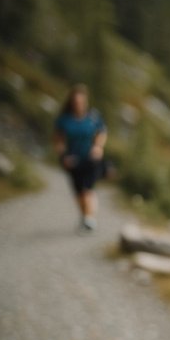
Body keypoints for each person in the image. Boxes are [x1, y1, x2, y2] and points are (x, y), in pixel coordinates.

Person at [53, 83, 107, 232]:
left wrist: (98, 147)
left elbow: (101, 132)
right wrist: (64, 156)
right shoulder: (64, 119)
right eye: (76, 102)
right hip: (72, 160)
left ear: (86, 101)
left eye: (81, 102)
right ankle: (85, 217)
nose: (79, 105)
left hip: (90, 158)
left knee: (87, 189)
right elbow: (59, 140)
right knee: (78, 191)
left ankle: (89, 219)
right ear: (71, 102)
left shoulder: (93, 116)